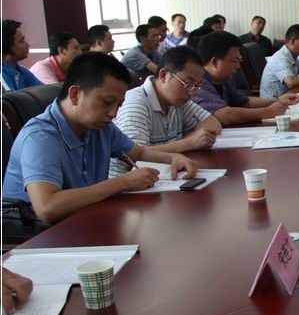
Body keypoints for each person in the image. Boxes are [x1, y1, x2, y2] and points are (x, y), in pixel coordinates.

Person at [2, 53, 198, 223]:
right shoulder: (40, 137)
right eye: (107, 102)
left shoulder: (99, 127)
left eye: (118, 105)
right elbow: (47, 207)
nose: (113, 113)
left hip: (84, 220)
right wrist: (123, 182)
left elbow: (138, 152)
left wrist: (174, 158)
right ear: (75, 94)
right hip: (36, 235)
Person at [110, 46, 222, 176]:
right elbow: (133, 156)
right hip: (127, 181)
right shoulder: (136, 104)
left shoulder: (178, 100)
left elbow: (213, 123)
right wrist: (188, 143)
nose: (191, 93)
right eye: (188, 84)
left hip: (161, 175)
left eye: (197, 86)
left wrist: (192, 141)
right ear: (164, 75)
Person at [193, 31, 299, 126]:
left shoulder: (221, 80)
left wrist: (278, 100)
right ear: (215, 62)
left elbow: (246, 102)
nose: (238, 67)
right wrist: (268, 112)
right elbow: (224, 115)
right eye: (235, 61)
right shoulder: (198, 83)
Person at [1, 19, 43, 91]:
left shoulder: (21, 70)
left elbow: (44, 91)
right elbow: (11, 98)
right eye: (22, 41)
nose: (28, 45)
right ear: (7, 45)